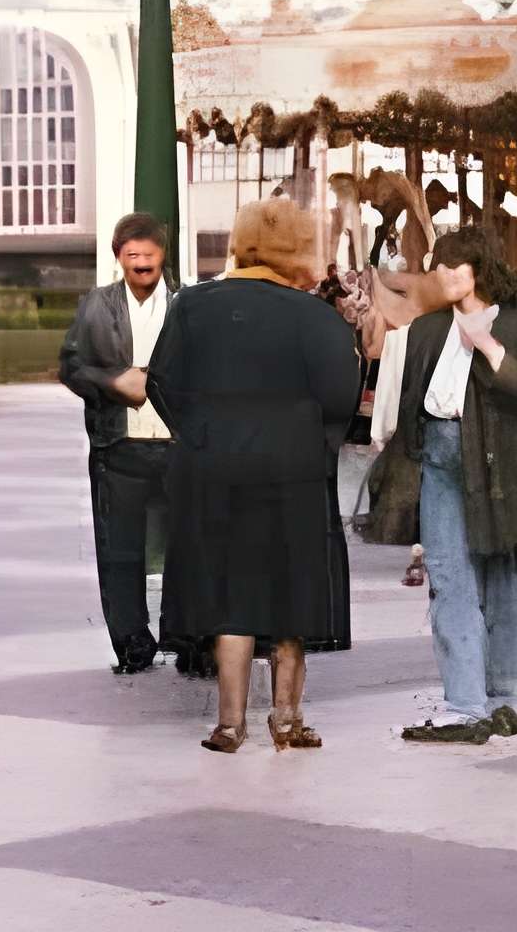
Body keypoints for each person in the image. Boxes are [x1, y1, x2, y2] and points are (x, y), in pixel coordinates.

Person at [146, 197, 361, 753]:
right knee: (292, 592)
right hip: (293, 470)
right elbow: (341, 396)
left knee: (229, 592)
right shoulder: (316, 315)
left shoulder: (192, 305)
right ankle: (287, 720)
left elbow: (161, 383)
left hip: (214, 468)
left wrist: (198, 434)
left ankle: (229, 723)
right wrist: (316, 442)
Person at [370, 226, 517, 744]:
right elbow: (411, 398)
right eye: (442, 264)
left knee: (506, 580)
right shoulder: (429, 329)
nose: (448, 273)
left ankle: (503, 698)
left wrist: (489, 346)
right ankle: (465, 704)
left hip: (504, 462)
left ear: (482, 266)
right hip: (440, 455)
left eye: (460, 264)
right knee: (450, 577)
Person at [60, 212, 179, 675]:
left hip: (178, 445)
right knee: (118, 549)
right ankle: (131, 644)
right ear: (118, 258)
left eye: (148, 254)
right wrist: (115, 382)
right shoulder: (96, 305)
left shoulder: (186, 303)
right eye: (132, 256)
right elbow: (71, 367)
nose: (141, 263)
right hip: (118, 445)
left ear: (162, 255)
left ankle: (186, 639)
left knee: (188, 547)